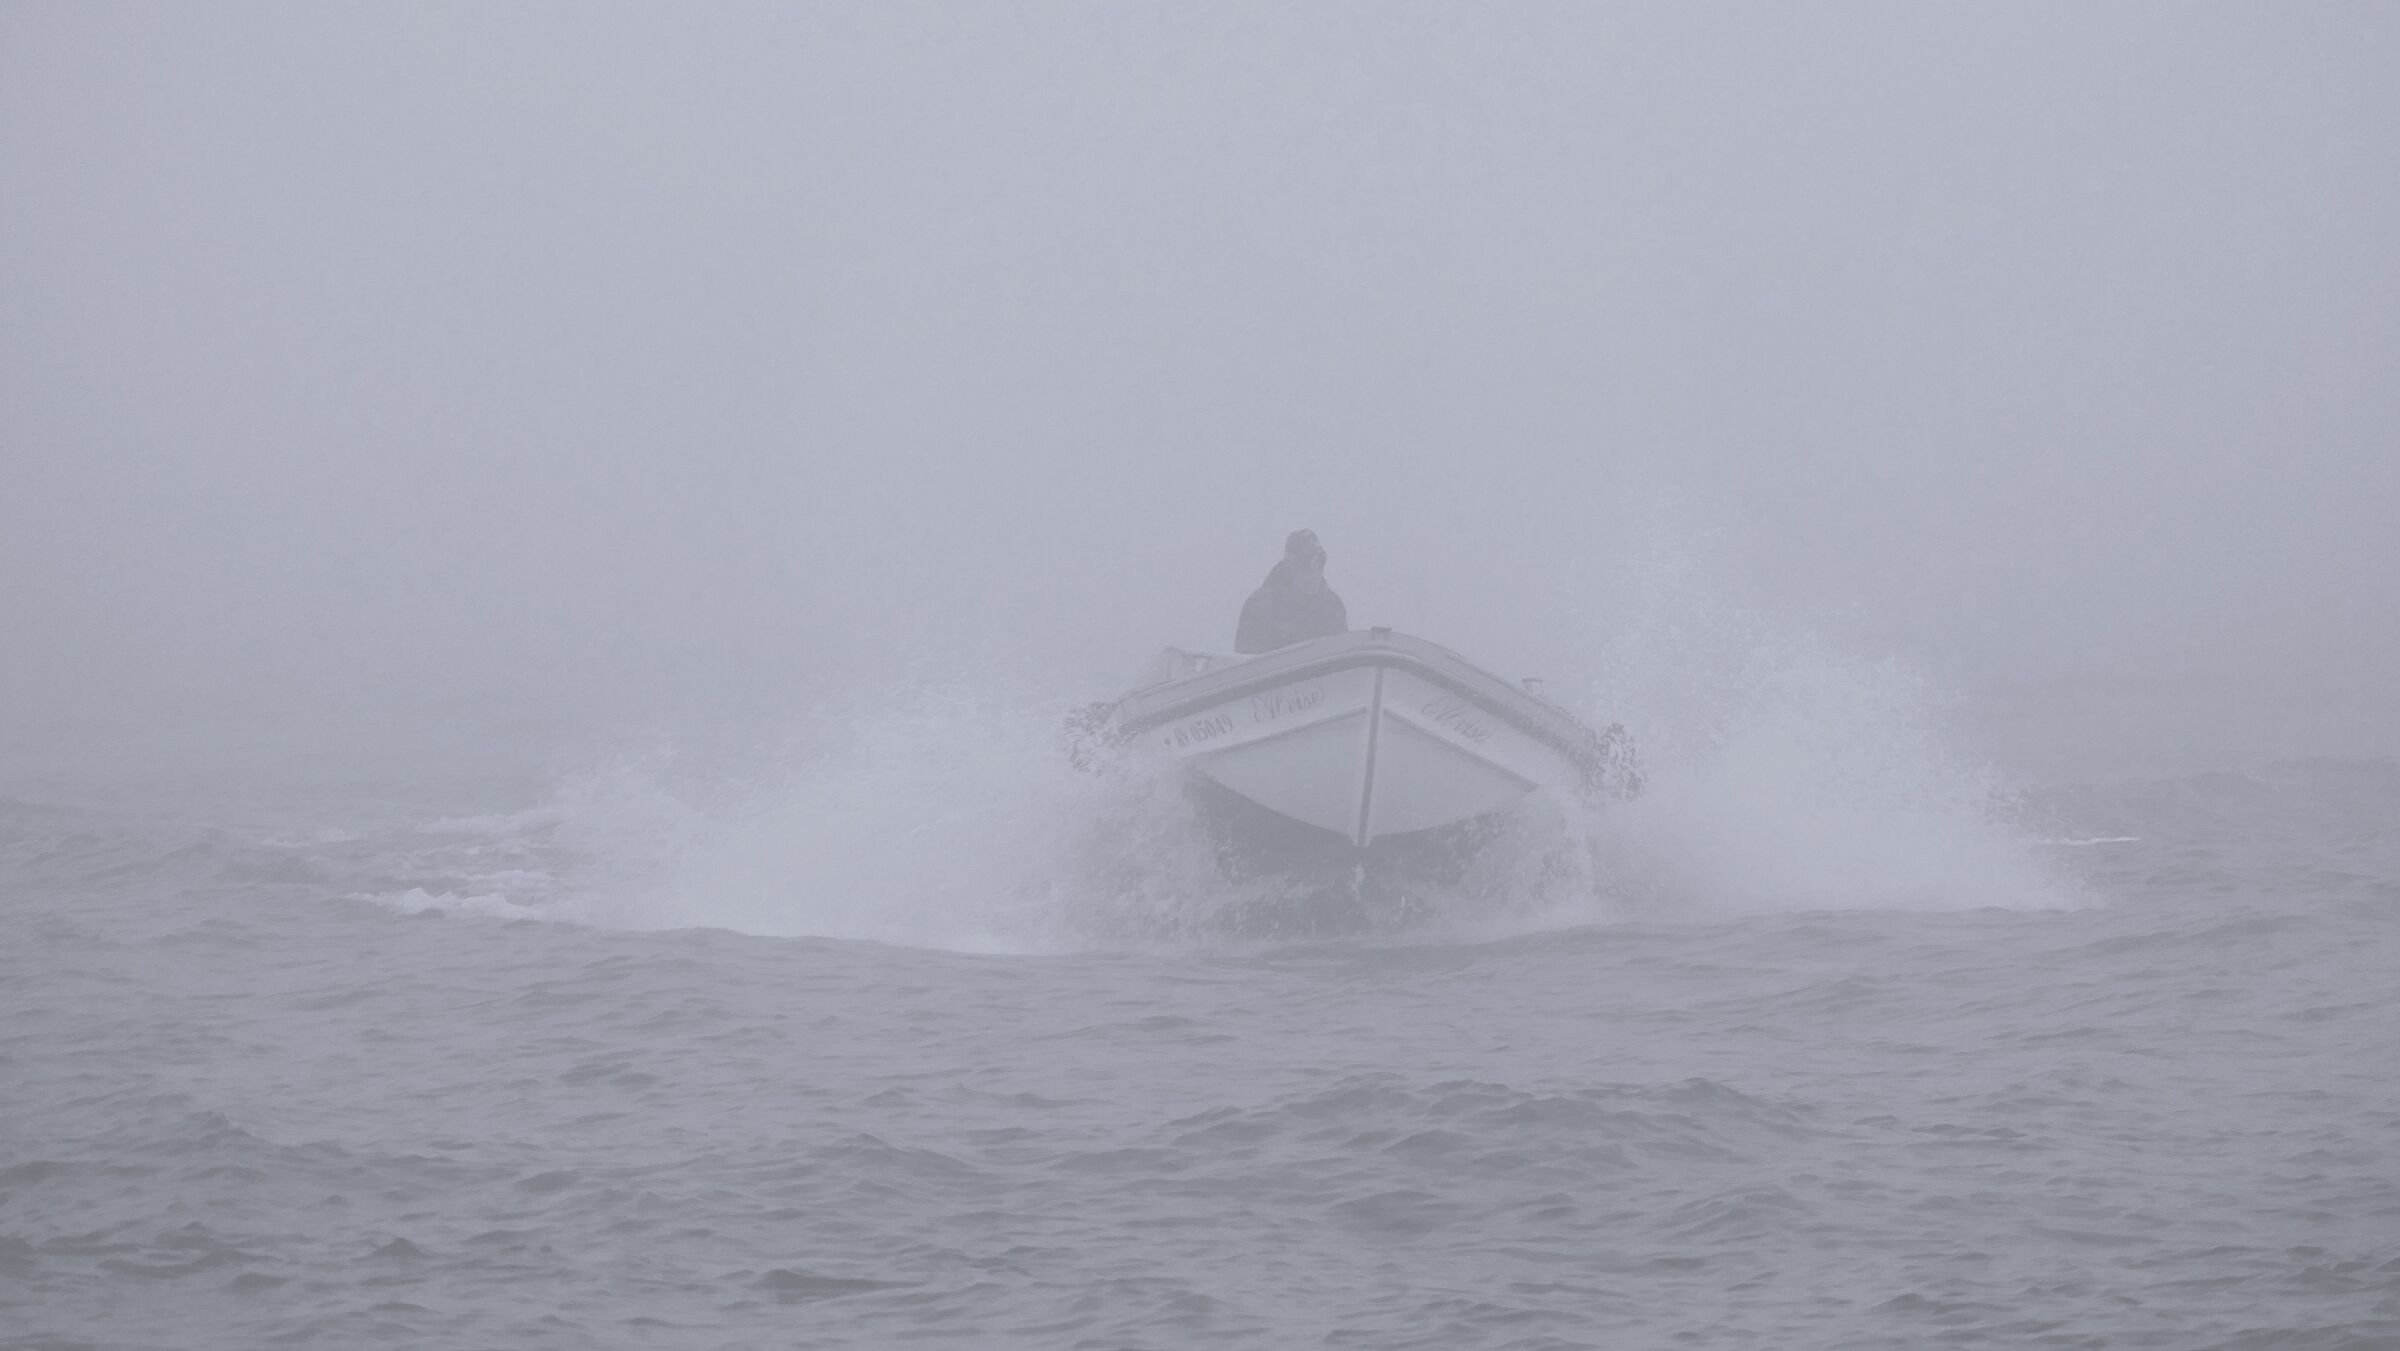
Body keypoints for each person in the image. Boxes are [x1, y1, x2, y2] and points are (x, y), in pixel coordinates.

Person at [1235, 529, 1349, 653]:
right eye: (1305, 564)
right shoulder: (1259, 606)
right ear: (1289, 565)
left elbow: (1341, 656)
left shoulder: (1333, 607)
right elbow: (1248, 661)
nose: (1313, 573)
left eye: (1318, 564)